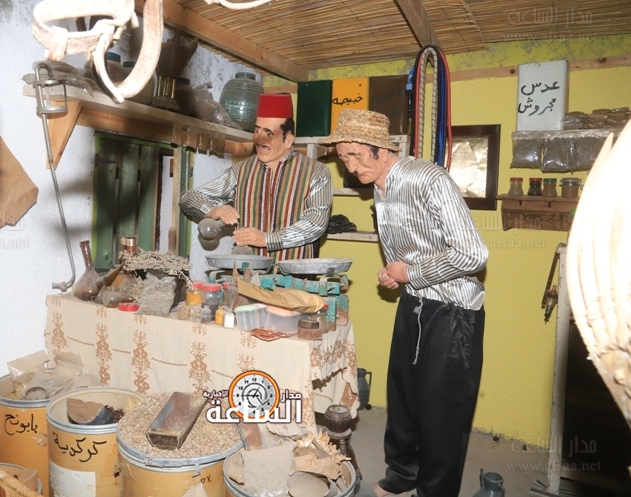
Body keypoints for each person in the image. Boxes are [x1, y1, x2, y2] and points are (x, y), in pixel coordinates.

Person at [320, 109, 488, 497]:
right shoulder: (380, 187)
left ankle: (435, 491)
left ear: (381, 149)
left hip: (454, 311)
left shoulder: (429, 180)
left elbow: (474, 255)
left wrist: (410, 272)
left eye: (356, 155)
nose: (350, 167)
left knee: (442, 409)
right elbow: (411, 251)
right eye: (343, 158)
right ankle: (402, 474)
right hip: (414, 302)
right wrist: (396, 275)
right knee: (404, 398)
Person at [180, 93, 332, 260]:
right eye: (257, 130)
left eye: (269, 133)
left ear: (288, 140)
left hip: (294, 273)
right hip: (247, 273)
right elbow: (188, 198)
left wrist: (267, 239)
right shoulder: (241, 171)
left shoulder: (316, 172)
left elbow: (317, 222)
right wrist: (213, 210)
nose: (259, 139)